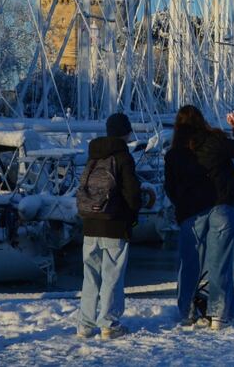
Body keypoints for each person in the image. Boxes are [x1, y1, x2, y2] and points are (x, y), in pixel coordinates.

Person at [164, 105, 234, 330]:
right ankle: (219, 315)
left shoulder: (174, 153)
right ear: (201, 120)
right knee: (219, 264)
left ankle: (186, 312)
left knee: (188, 264)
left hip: (191, 213)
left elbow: (170, 188)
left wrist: (180, 205)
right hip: (221, 207)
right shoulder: (216, 140)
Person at [77, 112, 142, 340]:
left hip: (90, 224)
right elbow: (132, 194)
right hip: (114, 224)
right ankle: (109, 324)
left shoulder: (93, 156)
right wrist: (134, 213)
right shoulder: (123, 157)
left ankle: (85, 324)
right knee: (112, 275)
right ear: (126, 132)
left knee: (90, 276)